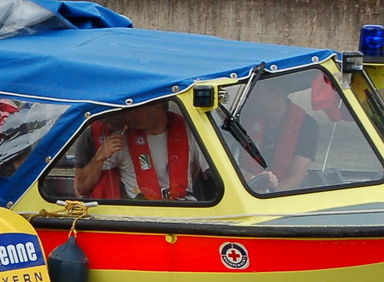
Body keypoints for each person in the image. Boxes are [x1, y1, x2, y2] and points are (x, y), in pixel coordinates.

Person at [74, 100, 209, 201]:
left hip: (185, 209)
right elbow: (82, 187)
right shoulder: (120, 139)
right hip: (140, 212)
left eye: (135, 108)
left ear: (157, 106)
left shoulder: (191, 133)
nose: (128, 114)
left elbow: (210, 172)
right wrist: (99, 157)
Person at [237, 77, 320, 193]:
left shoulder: (307, 125)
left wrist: (267, 196)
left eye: (257, 93)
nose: (250, 99)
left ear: (276, 95)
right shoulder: (243, 118)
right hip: (246, 187)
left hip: (281, 194)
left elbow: (297, 176)